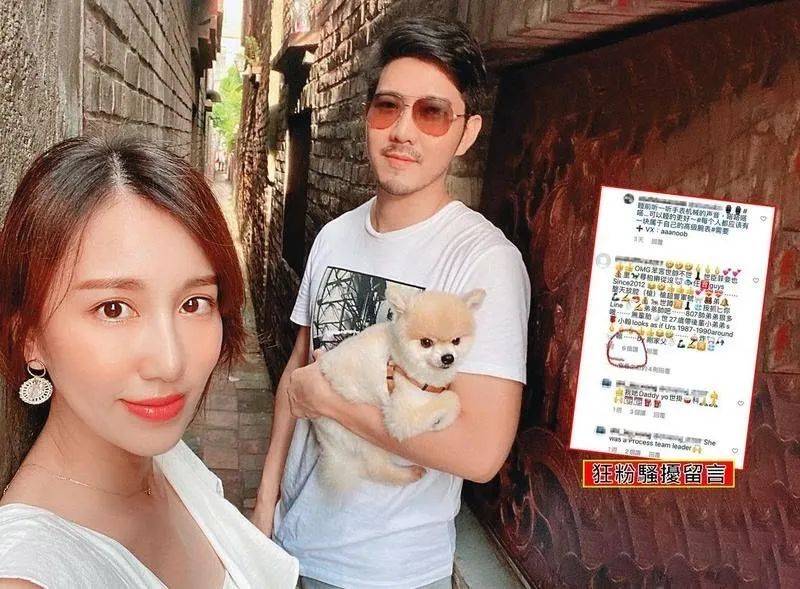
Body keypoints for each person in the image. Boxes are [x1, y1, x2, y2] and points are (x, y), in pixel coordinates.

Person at [251, 17, 530, 589]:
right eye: (388, 107)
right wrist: (265, 502)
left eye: (432, 113)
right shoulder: (334, 237)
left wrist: (331, 403)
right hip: (294, 543)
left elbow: (480, 452)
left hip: (393, 572)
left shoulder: (483, 261)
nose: (403, 131)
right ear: (368, 118)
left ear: (467, 133)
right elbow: (297, 374)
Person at [0, 137, 299, 588]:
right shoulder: (29, 576)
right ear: (29, 338)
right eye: (113, 309)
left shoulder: (169, 461)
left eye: (194, 303)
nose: (171, 362)